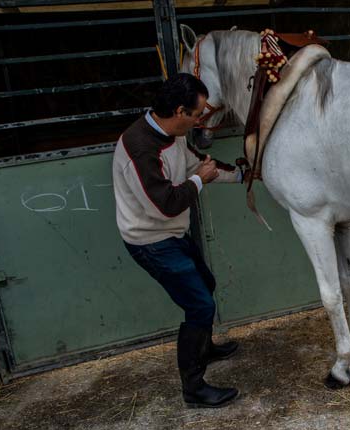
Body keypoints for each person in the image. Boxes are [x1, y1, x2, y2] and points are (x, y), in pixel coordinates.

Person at [112, 73, 242, 408]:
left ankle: (205, 347)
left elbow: (202, 164)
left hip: (171, 234)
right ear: (180, 110)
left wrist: (244, 175)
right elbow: (164, 205)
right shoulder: (139, 147)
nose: (201, 120)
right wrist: (200, 180)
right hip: (150, 241)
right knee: (199, 305)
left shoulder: (174, 134)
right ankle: (194, 389)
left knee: (205, 285)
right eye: (198, 114)